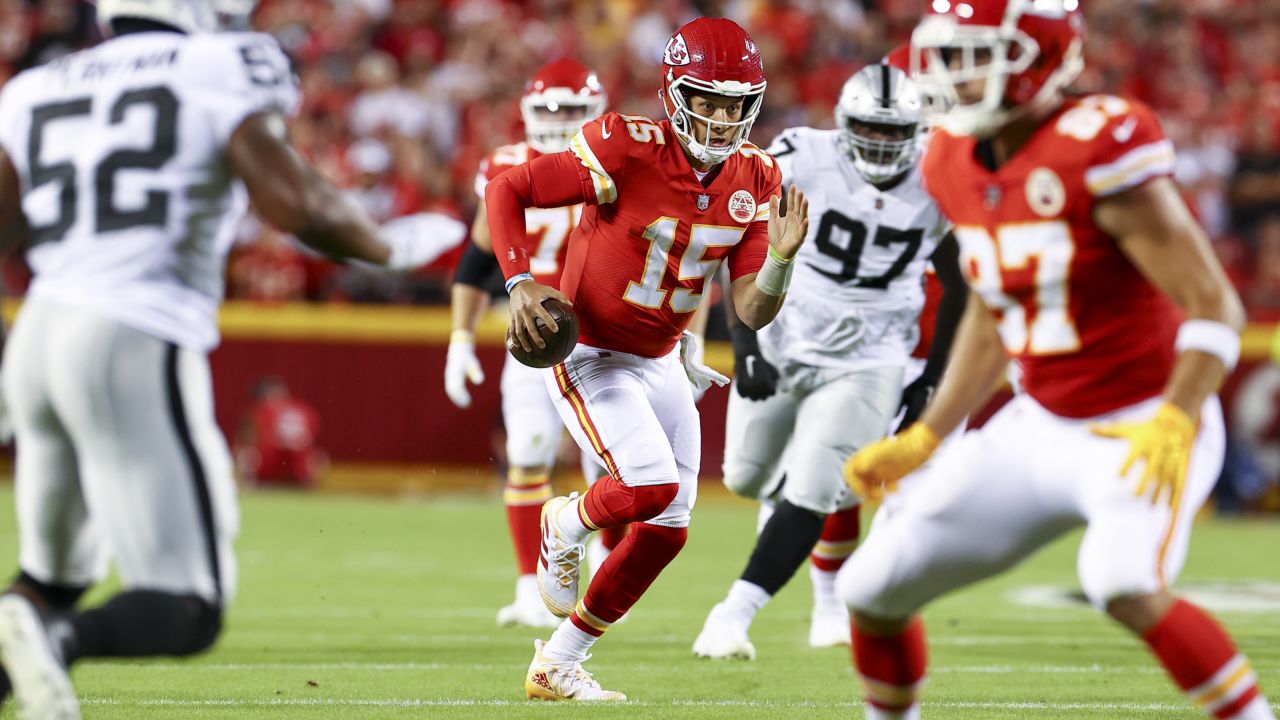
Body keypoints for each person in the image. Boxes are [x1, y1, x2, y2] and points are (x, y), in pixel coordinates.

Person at [0, 1, 461, 717]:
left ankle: (41, 625)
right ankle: (60, 638)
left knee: (45, 581)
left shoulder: (38, 83)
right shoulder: (219, 63)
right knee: (190, 605)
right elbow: (293, 200)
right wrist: (389, 250)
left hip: (37, 335)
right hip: (134, 329)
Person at [840, 3, 1276, 720]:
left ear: (1037, 56)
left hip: (1140, 423)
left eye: (976, 55)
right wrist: (929, 435)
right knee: (870, 588)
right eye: (947, 57)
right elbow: (990, 305)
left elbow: (1215, 305)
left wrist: (1177, 417)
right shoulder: (950, 154)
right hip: (1039, 422)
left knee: (1122, 579)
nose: (956, 75)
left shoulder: (1098, 144)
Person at [486, 17, 809, 701]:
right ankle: (564, 521)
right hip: (593, 354)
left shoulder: (757, 175)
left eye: (735, 103)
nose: (722, 119)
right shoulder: (624, 145)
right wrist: (519, 284)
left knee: (668, 529)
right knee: (651, 490)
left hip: (661, 360)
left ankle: (558, 662)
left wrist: (779, 260)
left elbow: (751, 310)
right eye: (708, 100)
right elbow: (506, 190)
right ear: (673, 92)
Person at [692, 63, 966, 660]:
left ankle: (732, 614)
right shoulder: (800, 157)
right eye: (873, 127)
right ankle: (815, 490)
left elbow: (960, 282)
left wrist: (932, 379)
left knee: (816, 486)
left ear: (917, 131)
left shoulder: (940, 175)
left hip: (871, 357)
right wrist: (745, 345)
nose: (885, 142)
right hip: (785, 337)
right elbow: (733, 240)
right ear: (845, 124)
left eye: (897, 132)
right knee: (745, 477)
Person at [444, 57, 620, 629]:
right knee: (528, 448)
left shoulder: (618, 163)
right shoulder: (504, 165)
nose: (562, 119)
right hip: (532, 334)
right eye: (551, 109)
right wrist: (460, 337)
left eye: (573, 109)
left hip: (607, 335)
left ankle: (607, 566)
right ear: (527, 112)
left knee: (614, 461)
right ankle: (528, 585)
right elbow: (475, 260)